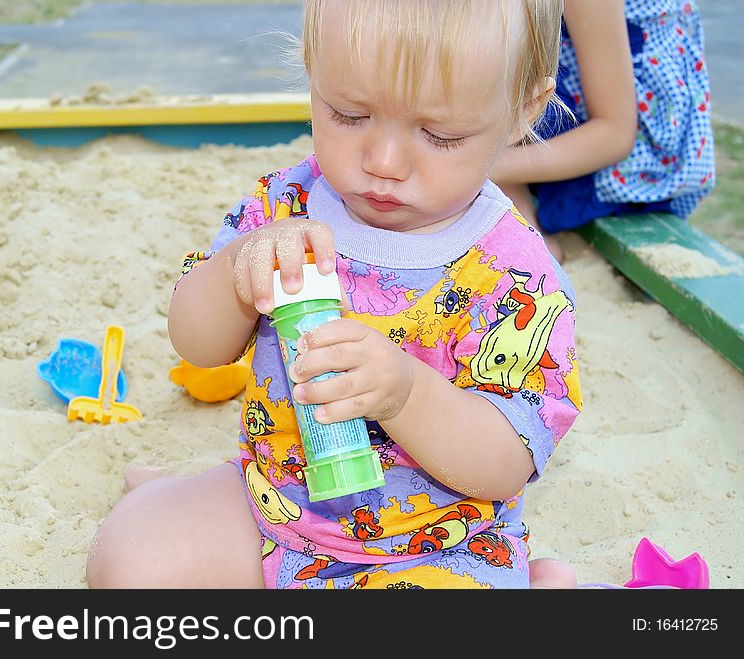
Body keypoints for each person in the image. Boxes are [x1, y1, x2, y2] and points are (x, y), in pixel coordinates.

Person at [87, 0, 581, 590]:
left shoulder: (515, 274)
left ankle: (542, 585)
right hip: (278, 512)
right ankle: (169, 496)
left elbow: (504, 464)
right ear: (313, 70)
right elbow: (195, 343)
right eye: (349, 115)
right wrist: (237, 277)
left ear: (521, 108)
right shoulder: (288, 204)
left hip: (435, 549)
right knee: (126, 570)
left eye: (439, 134)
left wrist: (405, 394)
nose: (384, 162)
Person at [491, 0, 715, 263]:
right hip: (591, 107)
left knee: (488, 62)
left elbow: (615, 135)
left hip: (632, 155)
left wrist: (479, 165)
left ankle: (531, 242)